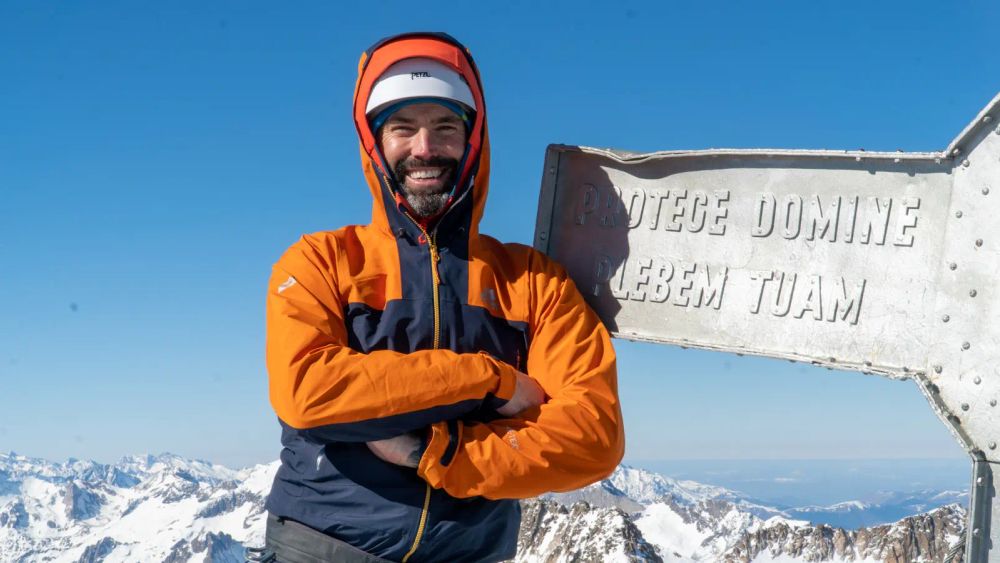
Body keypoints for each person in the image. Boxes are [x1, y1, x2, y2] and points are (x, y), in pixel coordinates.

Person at [262, 32, 624, 563]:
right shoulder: (321, 262)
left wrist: (439, 450)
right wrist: (490, 380)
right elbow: (310, 394)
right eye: (402, 129)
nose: (424, 149)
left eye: (445, 127)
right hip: (323, 548)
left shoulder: (533, 281)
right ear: (374, 143)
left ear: (473, 140)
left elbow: (592, 437)